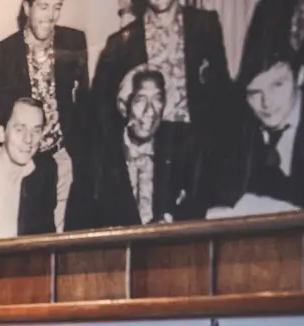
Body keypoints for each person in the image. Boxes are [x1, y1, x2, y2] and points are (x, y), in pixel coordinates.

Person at [0, 0, 89, 232]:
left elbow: (83, 105)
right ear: (27, 8)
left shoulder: (75, 42)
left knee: (58, 234)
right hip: (23, 159)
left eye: (57, 7)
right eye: (43, 6)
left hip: (62, 156)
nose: (51, 16)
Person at [68, 66, 204, 229]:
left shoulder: (180, 148)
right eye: (140, 100)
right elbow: (79, 221)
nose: (150, 111)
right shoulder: (98, 156)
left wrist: (173, 221)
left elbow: (196, 202)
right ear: (124, 107)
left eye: (157, 100)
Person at [92, 0, 230, 151]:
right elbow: (102, 114)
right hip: (149, 155)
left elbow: (222, 95)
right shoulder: (121, 43)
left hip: (200, 153)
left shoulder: (205, 25)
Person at [207, 42, 304, 216]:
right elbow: (209, 198)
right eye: (254, 92)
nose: (267, 103)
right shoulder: (235, 128)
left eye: (277, 85)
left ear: (301, 76)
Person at [0, 97, 58, 239]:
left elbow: (43, 242)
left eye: (36, 131)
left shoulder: (44, 173)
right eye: (19, 130)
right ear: (1, 133)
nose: (28, 139)